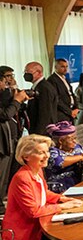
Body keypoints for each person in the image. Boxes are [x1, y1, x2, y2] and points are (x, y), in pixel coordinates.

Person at [0, 66, 28, 207]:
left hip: (12, 136)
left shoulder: (11, 92)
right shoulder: (4, 95)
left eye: (10, 76)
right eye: (5, 78)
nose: (8, 81)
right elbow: (5, 114)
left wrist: (18, 99)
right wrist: (16, 100)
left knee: (8, 173)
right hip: (2, 140)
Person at [44, 121, 83, 193]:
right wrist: (80, 157)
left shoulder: (77, 147)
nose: (75, 141)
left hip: (80, 184)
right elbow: (59, 162)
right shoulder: (52, 151)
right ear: (61, 141)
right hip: (61, 188)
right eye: (72, 139)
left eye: (75, 138)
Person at [22, 61, 59, 135]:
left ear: (38, 72)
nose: (26, 74)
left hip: (43, 131)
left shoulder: (44, 88)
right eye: (25, 72)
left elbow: (45, 113)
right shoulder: (38, 86)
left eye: (28, 72)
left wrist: (39, 134)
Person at [47, 58, 78, 123]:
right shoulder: (52, 80)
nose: (65, 69)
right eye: (62, 66)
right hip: (61, 114)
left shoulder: (65, 78)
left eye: (66, 66)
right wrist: (70, 112)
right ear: (56, 67)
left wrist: (76, 108)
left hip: (71, 111)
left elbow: (71, 93)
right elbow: (56, 99)